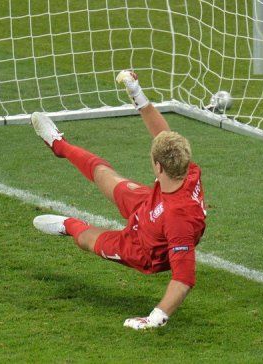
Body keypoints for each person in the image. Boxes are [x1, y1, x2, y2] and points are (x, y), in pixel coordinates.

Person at [31, 70, 206, 330]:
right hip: (150, 203)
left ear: (158, 168)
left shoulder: (178, 220)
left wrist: (154, 318)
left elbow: (183, 279)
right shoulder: (185, 169)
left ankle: (67, 225)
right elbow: (163, 136)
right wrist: (137, 93)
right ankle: (59, 145)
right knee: (103, 173)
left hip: (143, 247)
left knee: (90, 239)